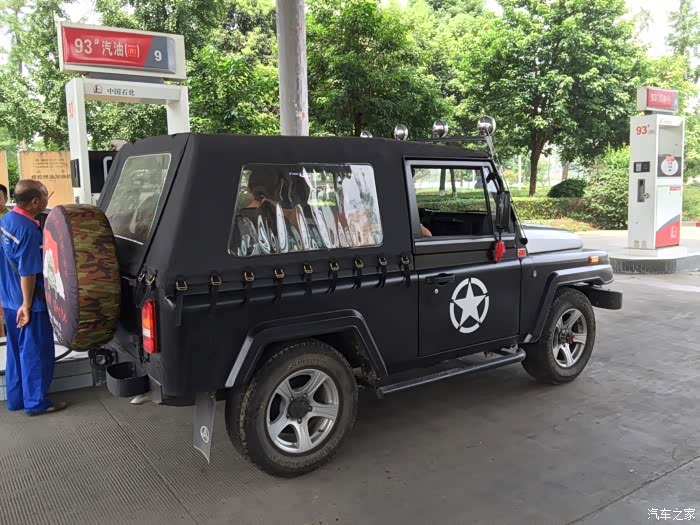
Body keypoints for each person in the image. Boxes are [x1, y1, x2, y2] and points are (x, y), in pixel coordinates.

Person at [0, 179, 67, 416]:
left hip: (9, 299)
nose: (48, 199)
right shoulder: (28, 230)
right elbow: (28, 272)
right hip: (28, 304)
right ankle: (36, 403)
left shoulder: (7, 221)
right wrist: (27, 305)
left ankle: (17, 398)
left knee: (16, 351)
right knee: (35, 352)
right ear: (36, 201)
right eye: (47, 195)